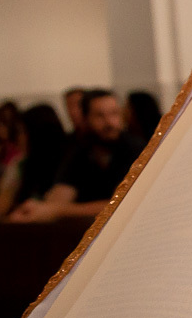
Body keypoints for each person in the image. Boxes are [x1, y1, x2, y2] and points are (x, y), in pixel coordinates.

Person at [10, 89, 142, 222]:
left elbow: (122, 203)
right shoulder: (81, 151)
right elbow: (60, 195)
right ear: (85, 119)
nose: (109, 123)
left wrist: (56, 210)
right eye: (99, 116)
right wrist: (36, 210)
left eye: (114, 114)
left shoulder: (135, 149)